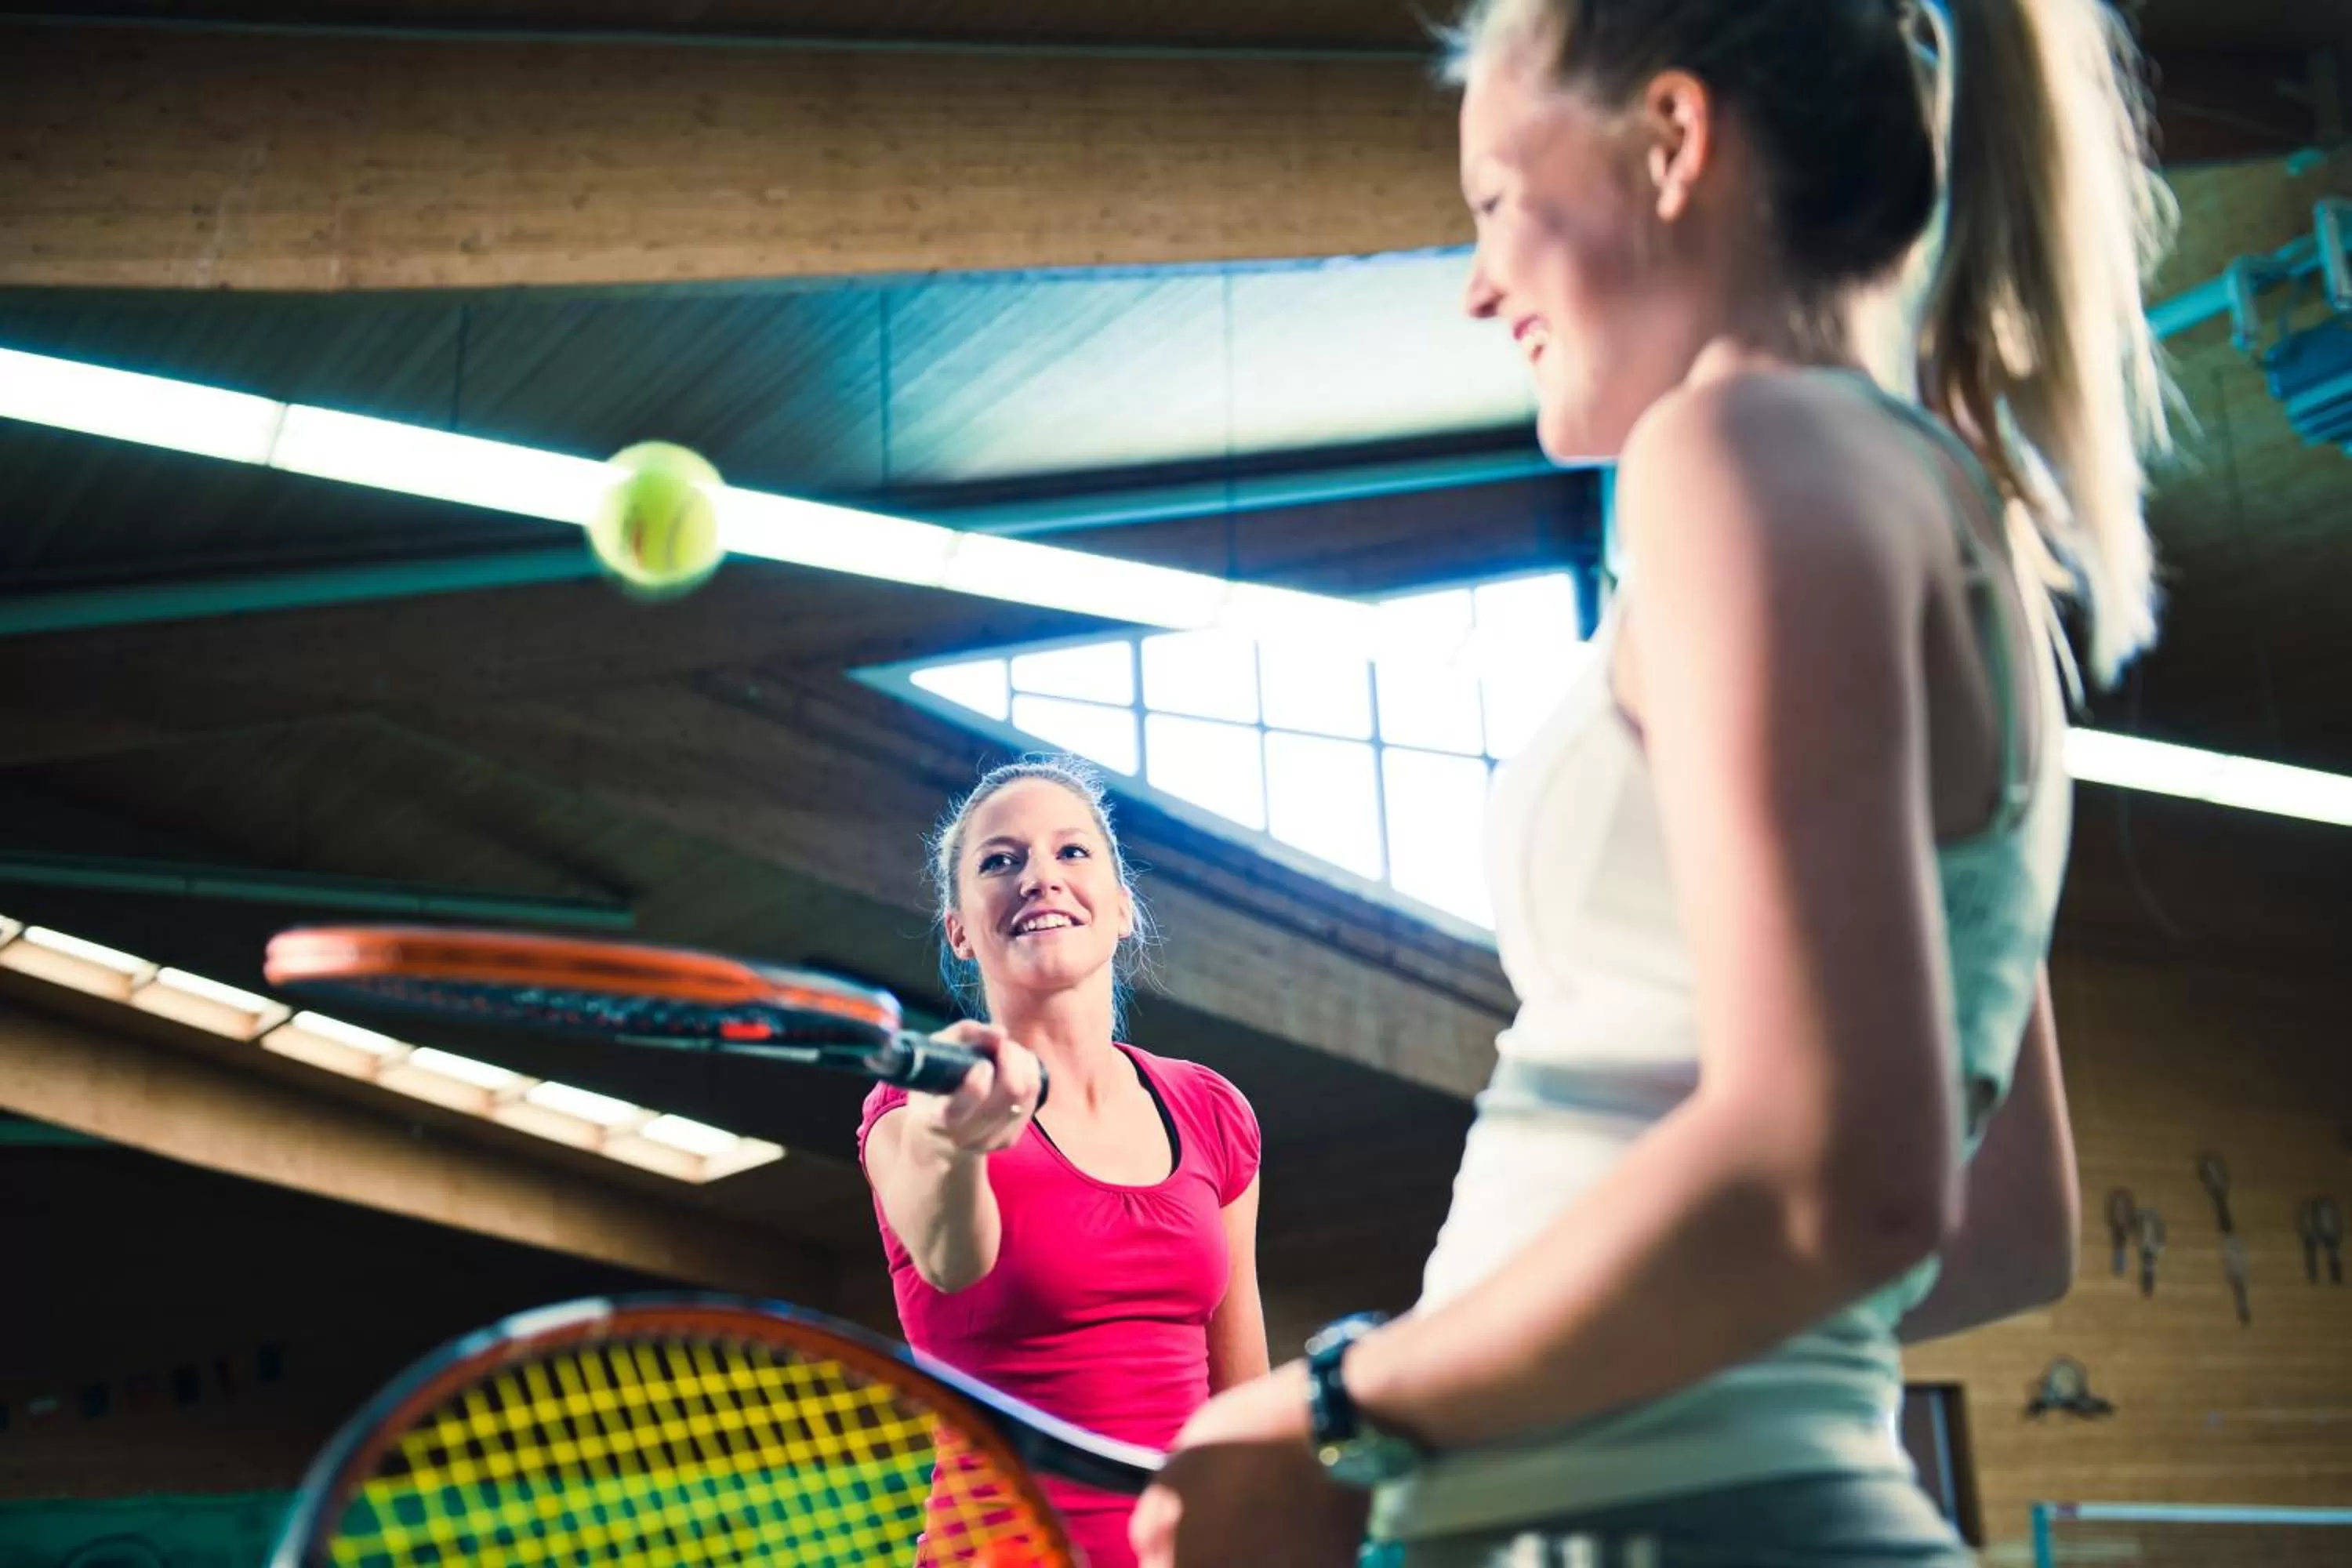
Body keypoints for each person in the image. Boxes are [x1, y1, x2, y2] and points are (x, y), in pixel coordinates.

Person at [1134, 0, 2172, 1563]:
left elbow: (1841, 1178)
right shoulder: (1956, 530)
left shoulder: (1736, 450)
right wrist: (1483, 1368)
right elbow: (1996, 1220)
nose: (1479, 285)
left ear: (1675, 142)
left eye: (1492, 200)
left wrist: (1354, 1404)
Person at [858, 756, 1269, 1567]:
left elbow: (1244, 1396)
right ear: (961, 931)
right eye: (1000, 860)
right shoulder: (912, 1110)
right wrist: (955, 1137)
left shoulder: (1211, 1108)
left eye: (1072, 852)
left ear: (1122, 908)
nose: (1039, 877)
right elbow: (951, 1260)